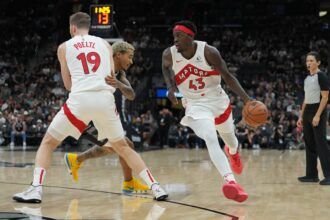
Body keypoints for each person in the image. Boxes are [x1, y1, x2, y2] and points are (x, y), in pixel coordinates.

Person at [13, 12, 168, 203]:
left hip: (80, 99)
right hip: (104, 99)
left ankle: (36, 189)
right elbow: (111, 78)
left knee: (48, 143)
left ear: (72, 28)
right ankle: (156, 187)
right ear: (90, 27)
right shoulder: (105, 44)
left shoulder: (63, 47)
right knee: (124, 147)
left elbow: (68, 85)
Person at [162, 20, 251, 202]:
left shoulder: (209, 52)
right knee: (210, 137)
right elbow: (164, 67)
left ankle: (233, 153)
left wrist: (247, 99)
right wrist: (170, 86)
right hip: (195, 105)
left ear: (190, 36)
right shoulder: (169, 54)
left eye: (179, 36)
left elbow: (227, 76)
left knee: (231, 141)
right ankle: (231, 182)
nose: (175, 40)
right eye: (174, 37)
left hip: (218, 101)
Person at [64, 41, 149, 194]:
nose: (131, 61)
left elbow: (131, 95)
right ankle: (128, 183)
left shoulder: (120, 74)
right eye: (129, 57)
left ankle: (76, 160)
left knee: (119, 147)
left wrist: (119, 84)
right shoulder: (101, 68)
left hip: (110, 116)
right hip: (94, 115)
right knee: (125, 146)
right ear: (118, 55)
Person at [297, 51, 330, 185]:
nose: (309, 63)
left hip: (318, 110)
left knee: (321, 143)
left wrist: (317, 115)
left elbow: (326, 97)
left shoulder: (321, 76)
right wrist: (301, 116)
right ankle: (311, 175)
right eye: (307, 61)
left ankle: (328, 175)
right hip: (307, 111)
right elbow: (306, 99)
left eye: (311, 61)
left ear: (318, 62)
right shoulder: (306, 79)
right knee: (309, 143)